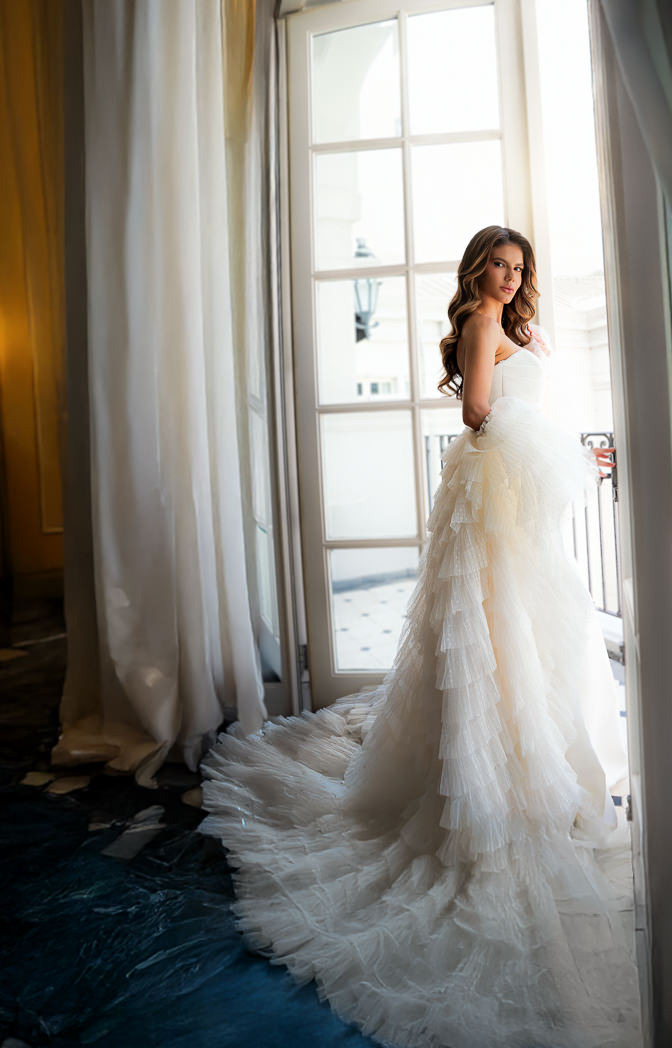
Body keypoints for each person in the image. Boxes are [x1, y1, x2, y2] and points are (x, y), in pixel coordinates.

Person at [201, 226, 642, 1048]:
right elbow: (479, 414)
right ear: (479, 270)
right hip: (493, 501)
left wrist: (551, 415)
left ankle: (553, 766)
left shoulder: (517, 327)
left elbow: (517, 397)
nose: (509, 279)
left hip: (516, 504)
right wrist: (540, 448)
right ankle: (495, 782)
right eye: (498, 267)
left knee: (539, 637)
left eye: (518, 268)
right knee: (496, 636)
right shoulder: (480, 321)